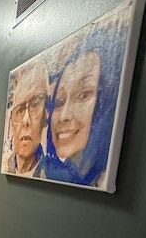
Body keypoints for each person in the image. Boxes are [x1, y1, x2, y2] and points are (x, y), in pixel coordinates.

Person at [41, 25, 128, 186]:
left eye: (83, 95)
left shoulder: (102, 180)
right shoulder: (50, 172)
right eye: (59, 102)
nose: (64, 115)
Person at [4, 61, 49, 176]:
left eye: (34, 105)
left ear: (45, 115)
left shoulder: (55, 173)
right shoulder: (5, 166)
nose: (25, 120)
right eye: (19, 110)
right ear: (11, 122)